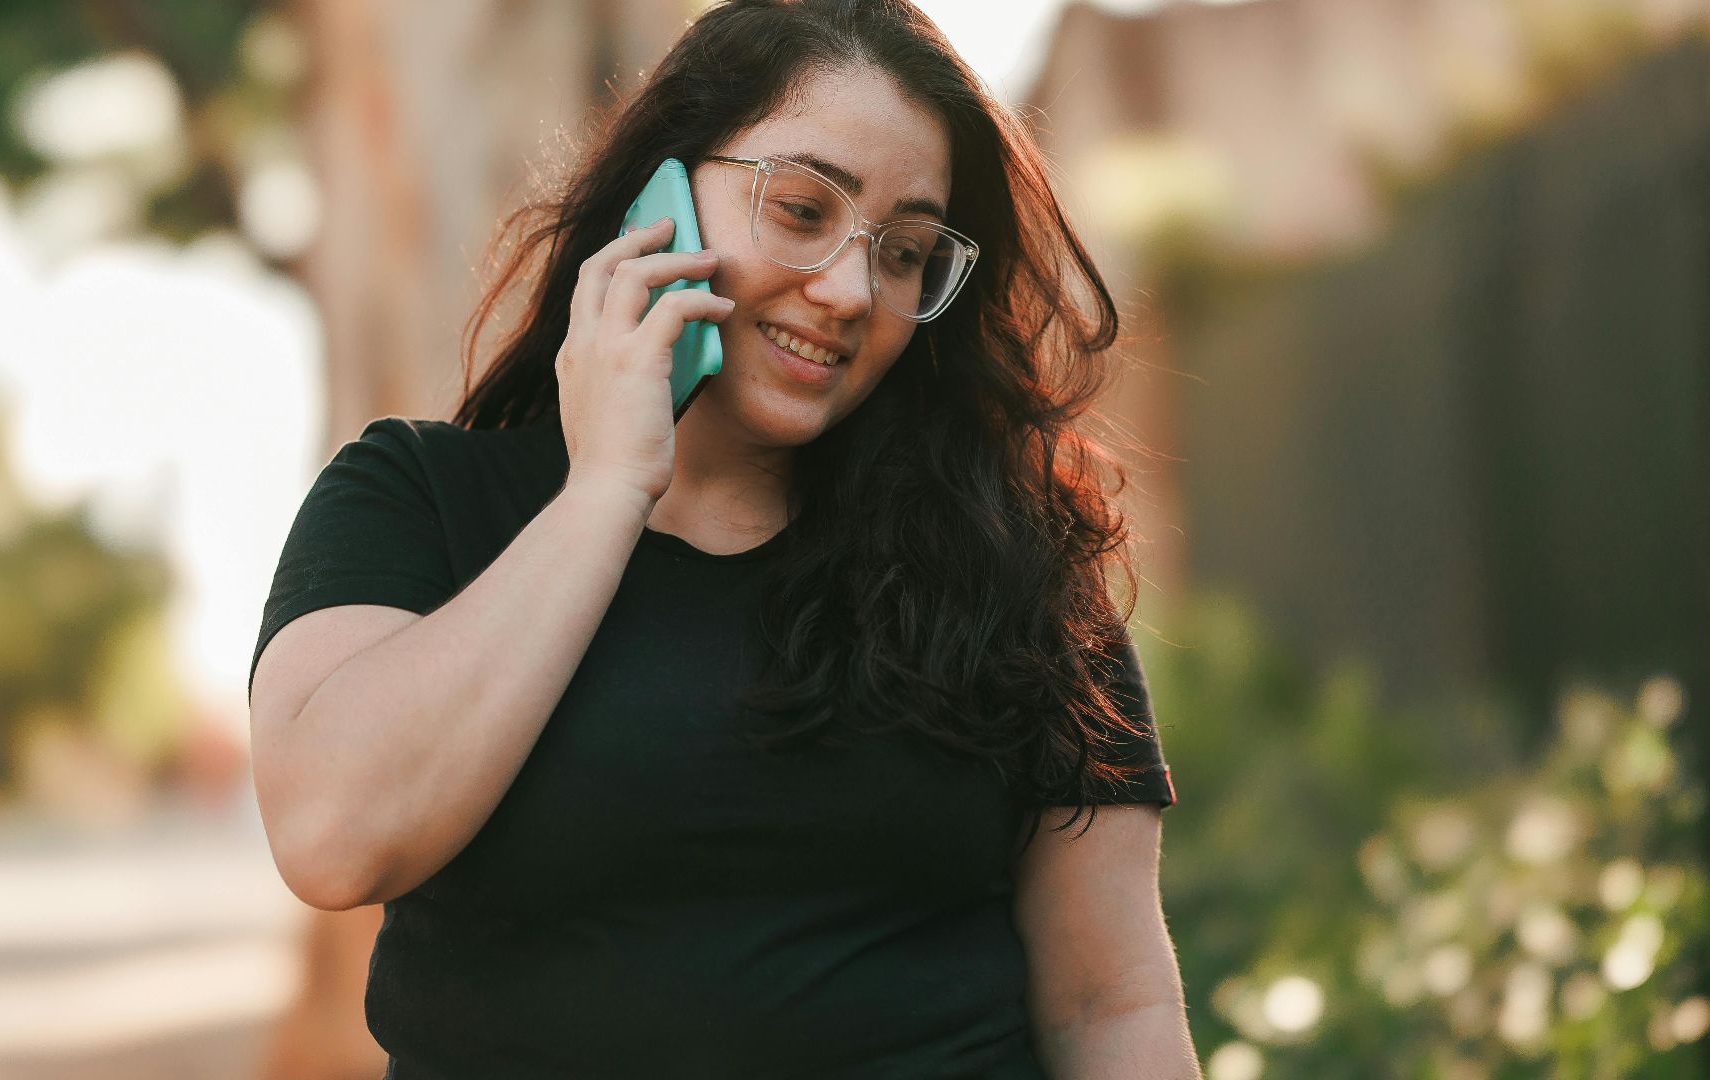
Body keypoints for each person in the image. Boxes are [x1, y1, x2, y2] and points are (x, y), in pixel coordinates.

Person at [248, 1, 1198, 1076]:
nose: (848, 290)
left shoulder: (1008, 558)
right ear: (665, 198)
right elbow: (332, 837)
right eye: (799, 208)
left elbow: (1111, 1004)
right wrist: (609, 488)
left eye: (905, 252)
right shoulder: (418, 498)